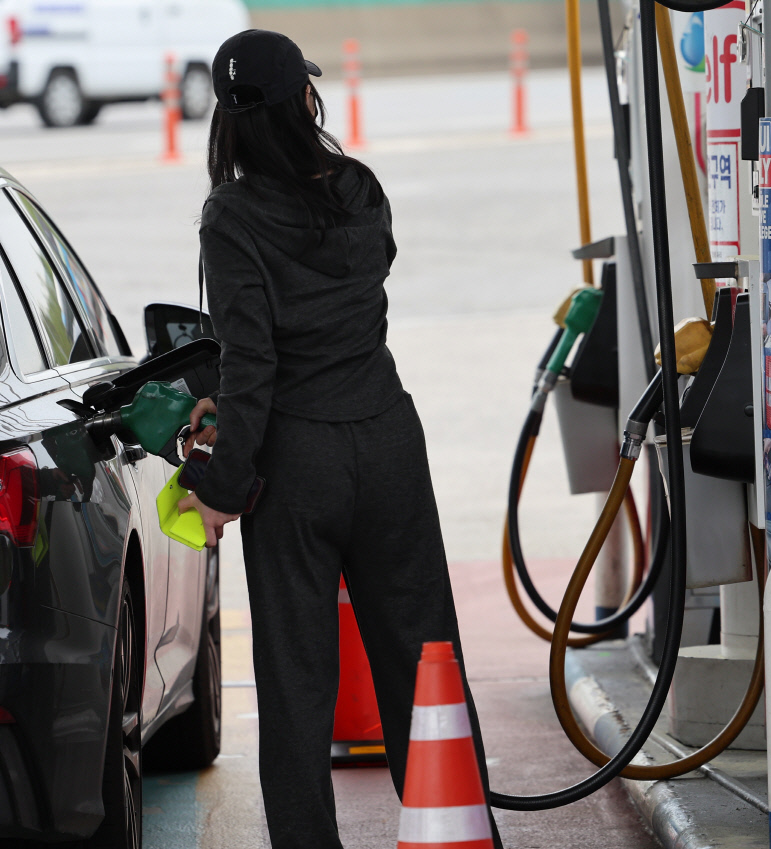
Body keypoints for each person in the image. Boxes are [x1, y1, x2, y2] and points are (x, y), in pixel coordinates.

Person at [176, 29, 503, 849]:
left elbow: (253, 366)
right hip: (389, 441)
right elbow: (362, 283)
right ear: (303, 102)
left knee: (297, 685)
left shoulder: (232, 214)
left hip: (299, 464)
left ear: (229, 121)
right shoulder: (359, 188)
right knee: (426, 665)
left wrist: (216, 488)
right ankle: (464, 833)